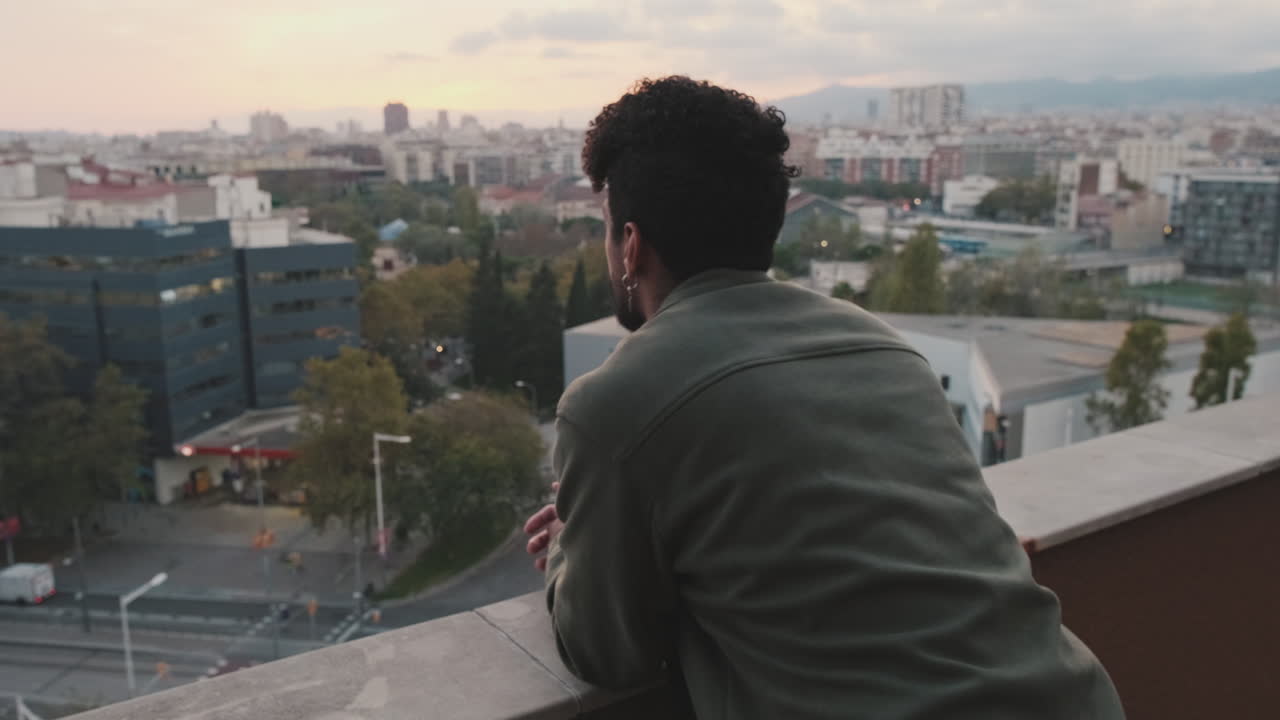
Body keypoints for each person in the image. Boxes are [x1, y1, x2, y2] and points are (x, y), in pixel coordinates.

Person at [523, 76, 1125, 719]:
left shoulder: (615, 402)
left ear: (632, 246)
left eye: (609, 228)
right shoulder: (885, 348)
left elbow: (607, 652)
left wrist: (569, 544)